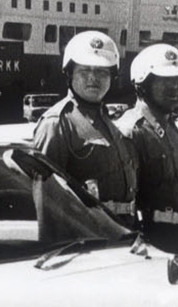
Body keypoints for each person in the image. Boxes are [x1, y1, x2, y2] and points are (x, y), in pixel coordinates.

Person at [32, 30, 138, 228]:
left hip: (122, 237)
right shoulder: (57, 123)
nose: (93, 78)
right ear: (70, 73)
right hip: (88, 241)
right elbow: (46, 200)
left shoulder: (108, 121)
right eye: (84, 71)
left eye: (101, 72)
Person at [118, 44, 178, 252]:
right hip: (151, 245)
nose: (175, 87)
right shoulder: (132, 132)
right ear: (144, 84)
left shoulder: (171, 130)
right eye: (165, 81)